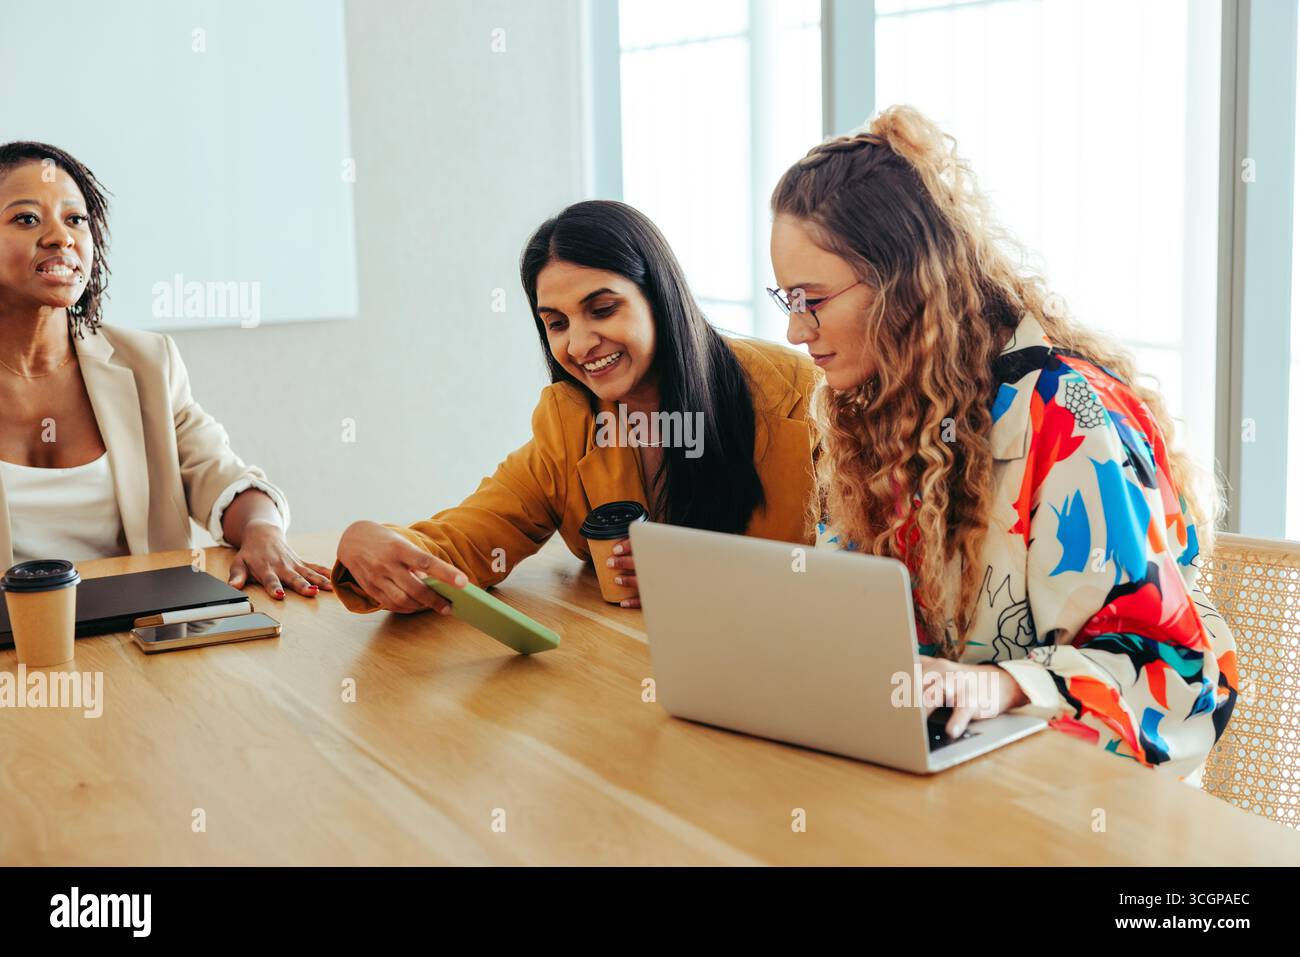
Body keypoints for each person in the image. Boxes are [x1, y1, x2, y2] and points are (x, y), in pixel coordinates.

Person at [767, 107, 1235, 781]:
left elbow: (1176, 675)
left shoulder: (1073, 413)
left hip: (1077, 805)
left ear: (904, 282)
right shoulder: (861, 414)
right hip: (942, 778)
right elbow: (862, 624)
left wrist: (1004, 685)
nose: (795, 331)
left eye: (811, 299)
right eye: (787, 301)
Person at [333, 200, 819, 612]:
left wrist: (704, 582)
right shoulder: (570, 423)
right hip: (629, 679)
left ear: (660, 297)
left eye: (603, 309)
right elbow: (469, 538)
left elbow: (866, 576)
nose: (581, 343)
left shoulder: (801, 396)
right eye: (557, 323)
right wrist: (371, 542)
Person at [0, 141, 330, 599]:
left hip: (141, 628)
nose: (62, 236)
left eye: (75, 219)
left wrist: (262, 530)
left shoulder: (146, 362)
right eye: (27, 218)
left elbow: (217, 472)